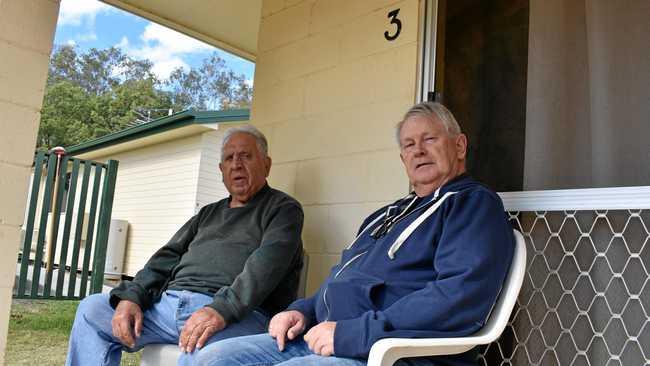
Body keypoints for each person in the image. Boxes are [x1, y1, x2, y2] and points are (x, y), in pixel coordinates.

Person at [197, 102, 515, 366]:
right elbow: (345, 279)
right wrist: (302, 310)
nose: (418, 151)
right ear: (402, 158)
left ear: (459, 146)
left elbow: (458, 297)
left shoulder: (471, 204)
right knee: (209, 359)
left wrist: (352, 334)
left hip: (391, 352)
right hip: (327, 338)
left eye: (429, 139)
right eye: (408, 145)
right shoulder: (386, 216)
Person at [66, 125, 304, 366]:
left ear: (266, 164)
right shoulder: (208, 214)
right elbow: (166, 258)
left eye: (245, 156)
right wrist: (132, 296)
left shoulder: (283, 210)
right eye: (229, 158)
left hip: (237, 315)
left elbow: (264, 269)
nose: (236, 164)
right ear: (221, 170)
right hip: (168, 306)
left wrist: (221, 310)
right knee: (91, 310)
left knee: (203, 354)